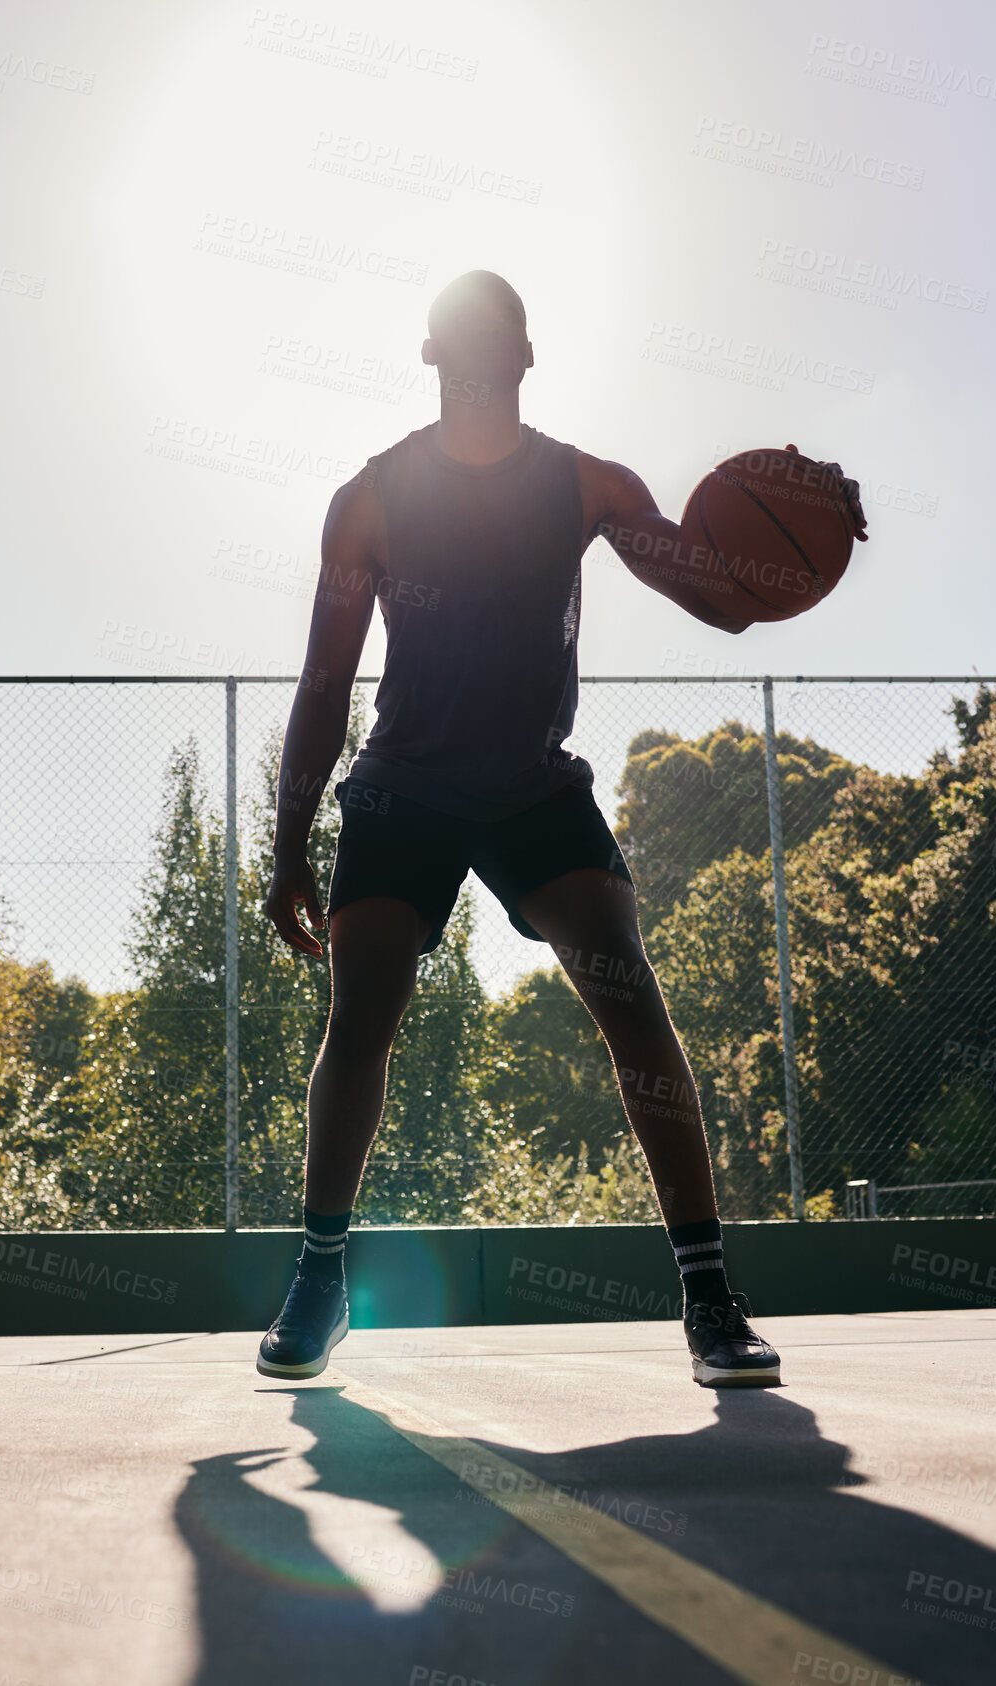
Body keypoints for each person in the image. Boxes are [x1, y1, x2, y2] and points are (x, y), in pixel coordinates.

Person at [258, 269, 867, 1387]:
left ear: (528, 360)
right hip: (406, 784)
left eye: (499, 339)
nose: (481, 356)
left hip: (534, 787)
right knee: (364, 1007)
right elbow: (325, 680)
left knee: (629, 993)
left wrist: (810, 511)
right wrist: (291, 839)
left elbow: (723, 599)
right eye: (462, 338)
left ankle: (709, 1294)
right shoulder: (374, 498)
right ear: (432, 357)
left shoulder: (589, 487)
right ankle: (321, 1272)